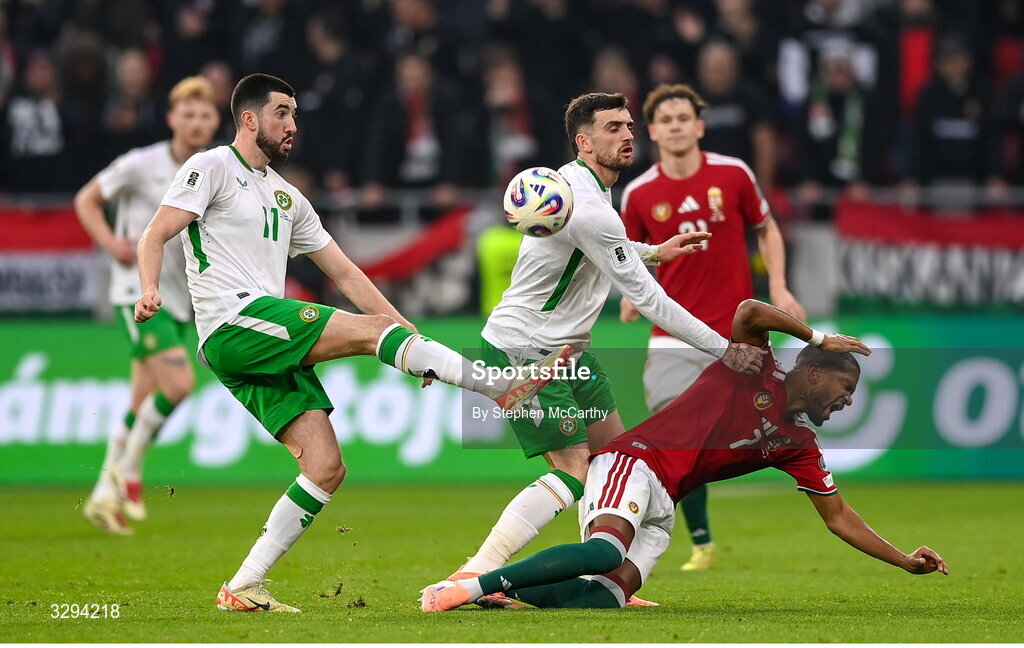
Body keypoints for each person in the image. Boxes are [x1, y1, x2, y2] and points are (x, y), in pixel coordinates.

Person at [133, 73, 567, 613]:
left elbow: (345, 272)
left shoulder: (288, 198)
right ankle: (502, 389)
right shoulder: (212, 167)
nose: (292, 125)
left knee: (324, 467)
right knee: (369, 333)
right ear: (249, 118)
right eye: (282, 113)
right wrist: (150, 288)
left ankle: (242, 585)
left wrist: (405, 331)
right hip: (234, 322)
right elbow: (155, 232)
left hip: (262, 342)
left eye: (294, 114)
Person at [439, 91, 767, 609]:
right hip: (524, 352)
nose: (628, 134)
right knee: (573, 469)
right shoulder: (589, 205)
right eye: (614, 128)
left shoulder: (578, 190)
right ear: (584, 142)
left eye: (629, 125)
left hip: (571, 353)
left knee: (616, 460)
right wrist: (725, 349)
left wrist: (653, 250)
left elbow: (594, 244)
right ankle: (472, 575)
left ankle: (607, 577)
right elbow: (651, 301)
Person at [420, 299, 949, 612]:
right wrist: (817, 334)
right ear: (813, 372)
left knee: (604, 597)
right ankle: (472, 585)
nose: (849, 400)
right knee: (605, 553)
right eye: (845, 384)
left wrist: (904, 560)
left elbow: (839, 518)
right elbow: (748, 311)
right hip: (633, 462)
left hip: (663, 503)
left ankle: (504, 595)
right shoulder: (752, 368)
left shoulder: (798, 445)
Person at [619, 83, 806, 572]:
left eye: (685, 117)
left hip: (738, 338)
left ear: (699, 127)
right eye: (667, 119)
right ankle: (700, 541)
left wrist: (781, 289)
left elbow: (766, 228)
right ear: (653, 131)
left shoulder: (734, 174)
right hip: (672, 336)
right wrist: (628, 296)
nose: (677, 125)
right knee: (674, 434)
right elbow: (624, 256)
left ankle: (825, 508)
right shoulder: (639, 194)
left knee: (776, 431)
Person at [77, 76, 221, 535]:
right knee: (178, 383)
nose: (197, 123)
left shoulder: (214, 169)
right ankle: (131, 470)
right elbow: (87, 199)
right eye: (189, 114)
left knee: (141, 399)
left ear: (216, 120)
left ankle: (102, 495)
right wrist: (109, 243)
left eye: (205, 115)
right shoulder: (140, 165)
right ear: (171, 118)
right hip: (136, 293)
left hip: (181, 299)